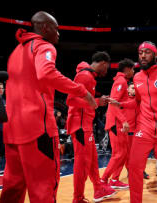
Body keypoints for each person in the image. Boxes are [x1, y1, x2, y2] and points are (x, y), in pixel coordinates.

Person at [1, 11, 97, 203]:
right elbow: (46, 73)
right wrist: (82, 92)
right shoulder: (44, 46)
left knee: (12, 189)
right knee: (43, 190)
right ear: (45, 28)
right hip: (38, 129)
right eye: (56, 28)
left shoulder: (15, 52)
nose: (59, 33)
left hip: (12, 129)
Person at [110, 41, 157, 203]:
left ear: (155, 55)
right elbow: (138, 102)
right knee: (135, 166)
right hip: (144, 128)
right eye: (140, 52)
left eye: (147, 52)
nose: (143, 56)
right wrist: (121, 104)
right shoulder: (137, 77)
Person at [66, 51, 116, 203]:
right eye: (106, 67)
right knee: (82, 165)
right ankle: (78, 198)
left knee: (93, 161)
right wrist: (95, 101)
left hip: (85, 124)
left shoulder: (89, 76)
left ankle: (98, 188)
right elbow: (71, 100)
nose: (106, 71)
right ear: (102, 63)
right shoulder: (84, 76)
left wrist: (97, 101)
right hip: (80, 126)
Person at [102, 58, 135, 189]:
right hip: (116, 123)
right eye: (132, 69)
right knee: (119, 154)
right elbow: (113, 102)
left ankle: (115, 179)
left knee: (124, 153)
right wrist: (124, 121)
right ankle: (103, 181)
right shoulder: (121, 81)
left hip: (118, 122)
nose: (133, 71)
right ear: (127, 70)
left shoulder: (123, 81)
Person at [125, 82, 150, 179]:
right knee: (128, 154)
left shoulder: (140, 100)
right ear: (127, 89)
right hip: (128, 131)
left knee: (141, 153)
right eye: (132, 88)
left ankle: (141, 170)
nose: (134, 90)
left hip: (140, 130)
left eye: (135, 88)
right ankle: (129, 171)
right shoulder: (124, 100)